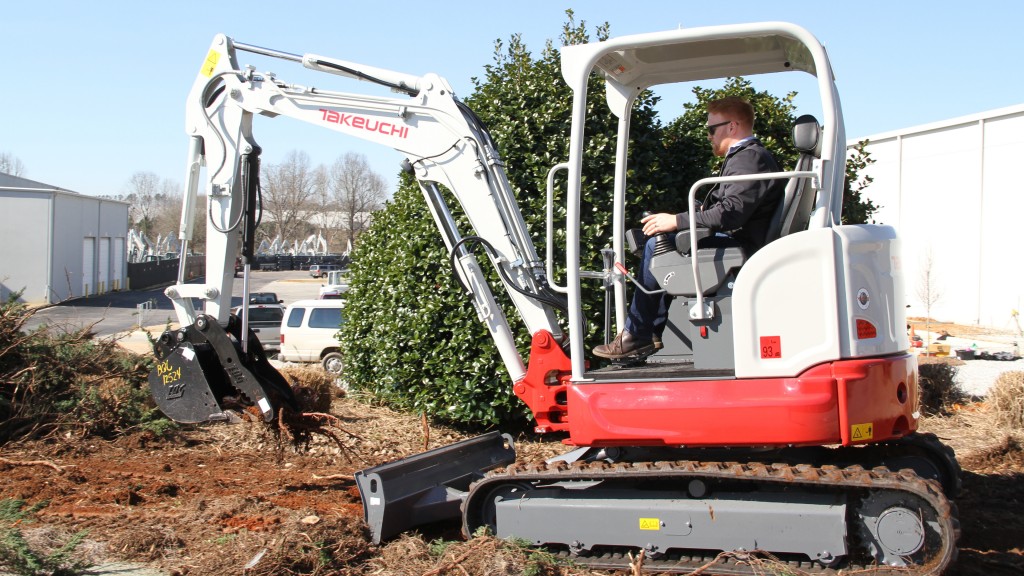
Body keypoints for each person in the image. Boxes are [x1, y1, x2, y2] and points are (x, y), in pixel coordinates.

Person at [593, 96, 785, 360]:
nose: (708, 136)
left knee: (657, 245)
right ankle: (646, 334)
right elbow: (729, 207)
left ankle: (637, 335)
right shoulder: (747, 157)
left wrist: (677, 221)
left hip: (742, 246)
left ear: (733, 127)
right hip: (740, 240)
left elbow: (730, 214)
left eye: (711, 129)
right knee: (661, 242)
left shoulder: (749, 159)